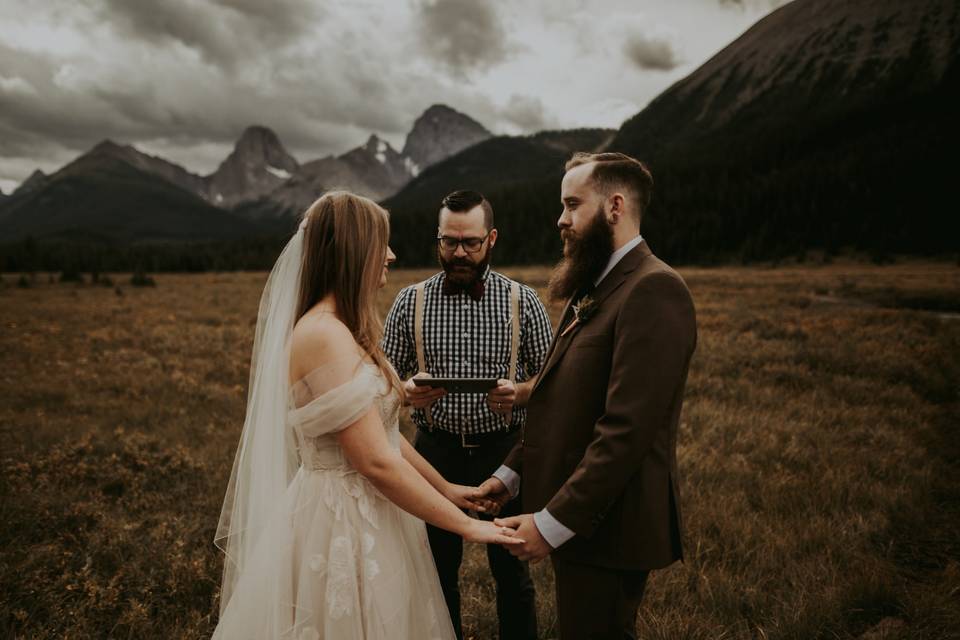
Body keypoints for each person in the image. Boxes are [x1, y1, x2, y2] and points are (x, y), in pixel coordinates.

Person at [212, 191, 521, 640]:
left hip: (373, 512)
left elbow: (384, 435)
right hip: (340, 523)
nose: (392, 255)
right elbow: (375, 461)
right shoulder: (322, 334)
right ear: (355, 251)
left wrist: (447, 488)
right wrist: (469, 528)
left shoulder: (346, 329)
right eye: (383, 243)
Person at [477, 153, 698, 639]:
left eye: (572, 204)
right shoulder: (593, 286)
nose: (561, 219)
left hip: (610, 529)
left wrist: (553, 523)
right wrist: (512, 475)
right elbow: (561, 399)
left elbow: (625, 432)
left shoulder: (654, 289)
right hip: (586, 525)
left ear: (615, 207)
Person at [382, 190, 552, 640]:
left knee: (512, 574)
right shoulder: (408, 302)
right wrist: (406, 394)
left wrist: (519, 394)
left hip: (505, 452)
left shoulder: (523, 301)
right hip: (432, 452)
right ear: (437, 239)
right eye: (449, 241)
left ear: (491, 239)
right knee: (434, 573)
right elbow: (378, 385)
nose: (458, 252)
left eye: (470, 243)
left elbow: (554, 383)